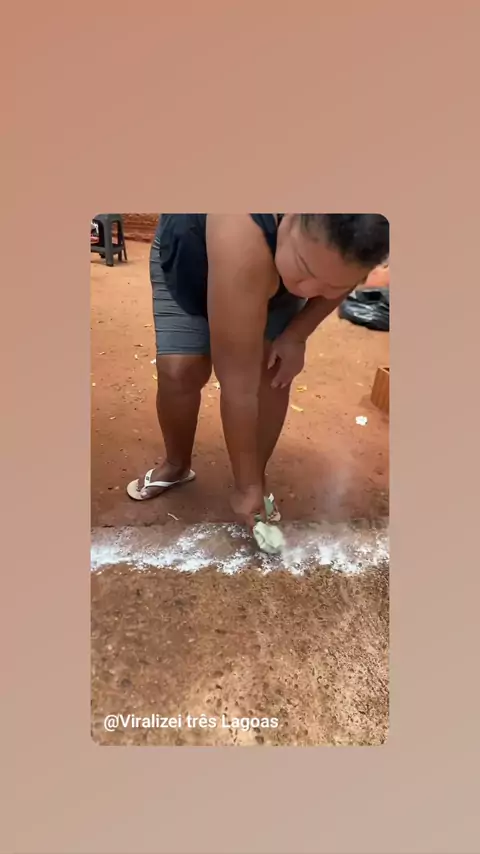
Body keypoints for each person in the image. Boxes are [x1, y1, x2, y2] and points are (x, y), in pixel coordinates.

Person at [127, 214, 389, 528]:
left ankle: (256, 475)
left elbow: (334, 274)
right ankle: (177, 463)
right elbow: (238, 384)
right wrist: (245, 487)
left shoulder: (361, 231)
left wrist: (297, 334)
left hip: (271, 264)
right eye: (306, 270)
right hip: (194, 256)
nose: (310, 290)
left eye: (334, 285)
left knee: (273, 371)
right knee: (180, 369)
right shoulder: (242, 232)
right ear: (291, 216)